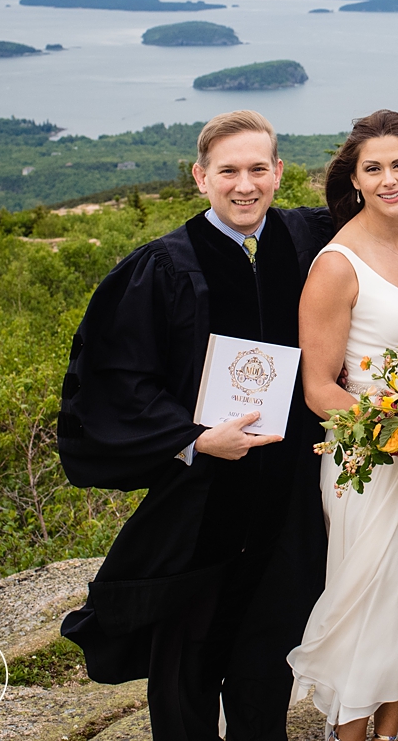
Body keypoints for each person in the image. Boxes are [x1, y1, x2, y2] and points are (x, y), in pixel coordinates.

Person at [58, 110, 334, 740]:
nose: (245, 185)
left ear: (279, 172)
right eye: (229, 171)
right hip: (203, 498)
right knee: (186, 656)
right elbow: (116, 380)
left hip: (288, 493)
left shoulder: (306, 241)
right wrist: (195, 439)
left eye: (258, 169)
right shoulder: (163, 267)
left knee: (269, 649)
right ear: (200, 177)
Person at [288, 110, 398, 741]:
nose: (390, 178)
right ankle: (351, 735)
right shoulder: (337, 265)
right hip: (370, 462)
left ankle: (388, 734)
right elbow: (317, 389)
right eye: (374, 169)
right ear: (354, 180)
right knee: (368, 605)